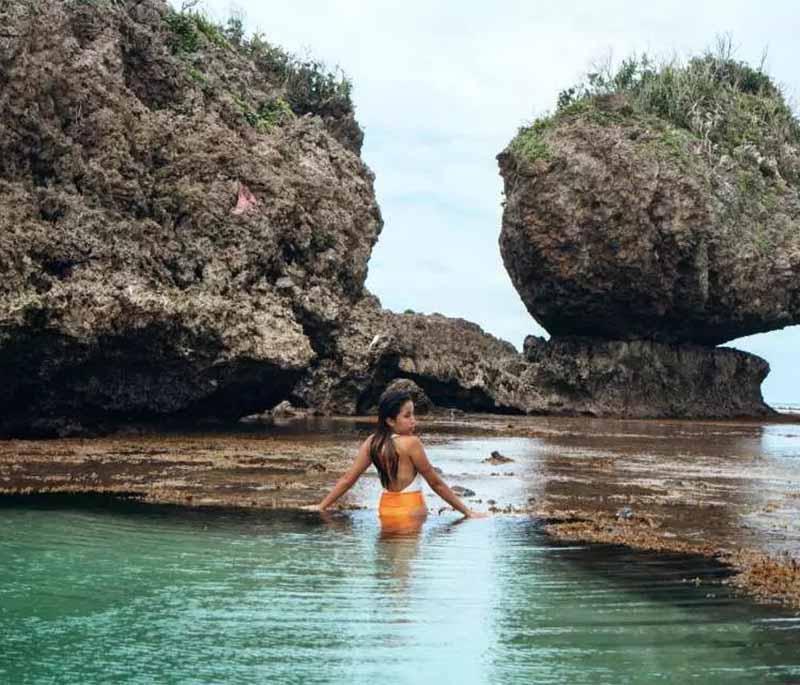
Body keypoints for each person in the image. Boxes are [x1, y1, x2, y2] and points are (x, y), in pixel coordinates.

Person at [303, 389, 487, 522]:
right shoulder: (412, 443)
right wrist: (467, 512)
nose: (414, 420)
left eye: (413, 415)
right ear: (390, 420)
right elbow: (436, 483)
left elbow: (348, 479)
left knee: (387, 567)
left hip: (385, 510)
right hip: (412, 510)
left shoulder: (372, 442)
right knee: (403, 573)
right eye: (407, 416)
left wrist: (322, 506)